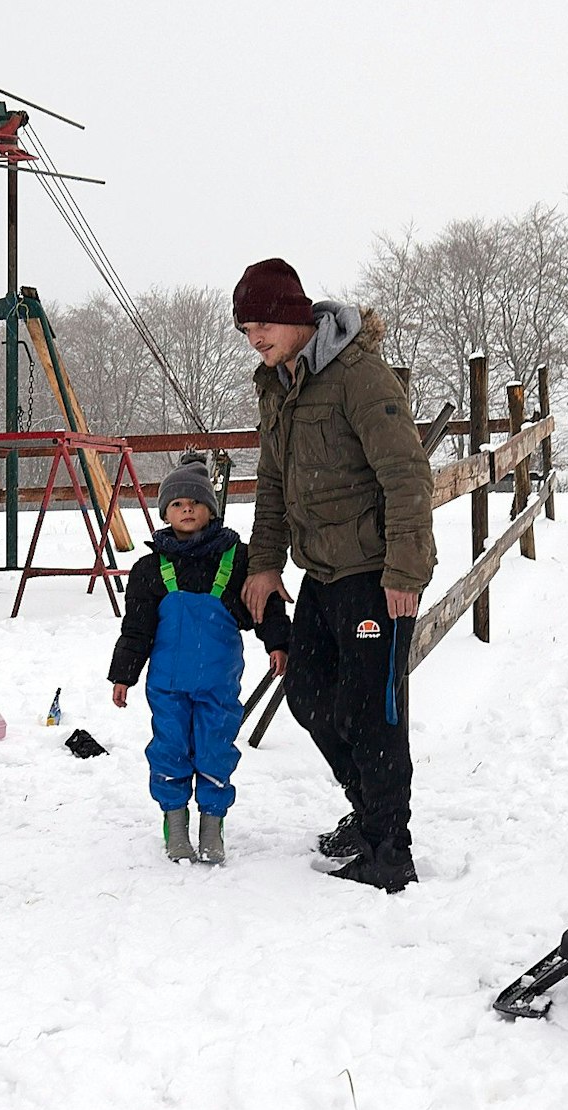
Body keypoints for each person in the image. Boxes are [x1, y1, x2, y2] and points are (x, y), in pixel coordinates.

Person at [234, 258, 437, 893]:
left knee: (371, 712)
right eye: (245, 327)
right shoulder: (278, 384)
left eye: (264, 322)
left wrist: (405, 569)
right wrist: (265, 563)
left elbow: (406, 475)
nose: (255, 336)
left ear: (296, 317)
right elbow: (273, 483)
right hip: (321, 572)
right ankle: (369, 809)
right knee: (309, 696)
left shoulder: (357, 375)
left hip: (377, 574)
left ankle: (388, 849)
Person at [109, 454, 291, 864]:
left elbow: (266, 607)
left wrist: (279, 643)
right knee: (170, 749)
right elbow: (136, 629)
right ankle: (175, 823)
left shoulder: (236, 561)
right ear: (165, 514)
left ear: (211, 509)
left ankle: (213, 823)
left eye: (194, 502)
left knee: (214, 750)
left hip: (218, 685)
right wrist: (124, 674)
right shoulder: (149, 569)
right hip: (167, 687)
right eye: (176, 504)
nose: (186, 509)